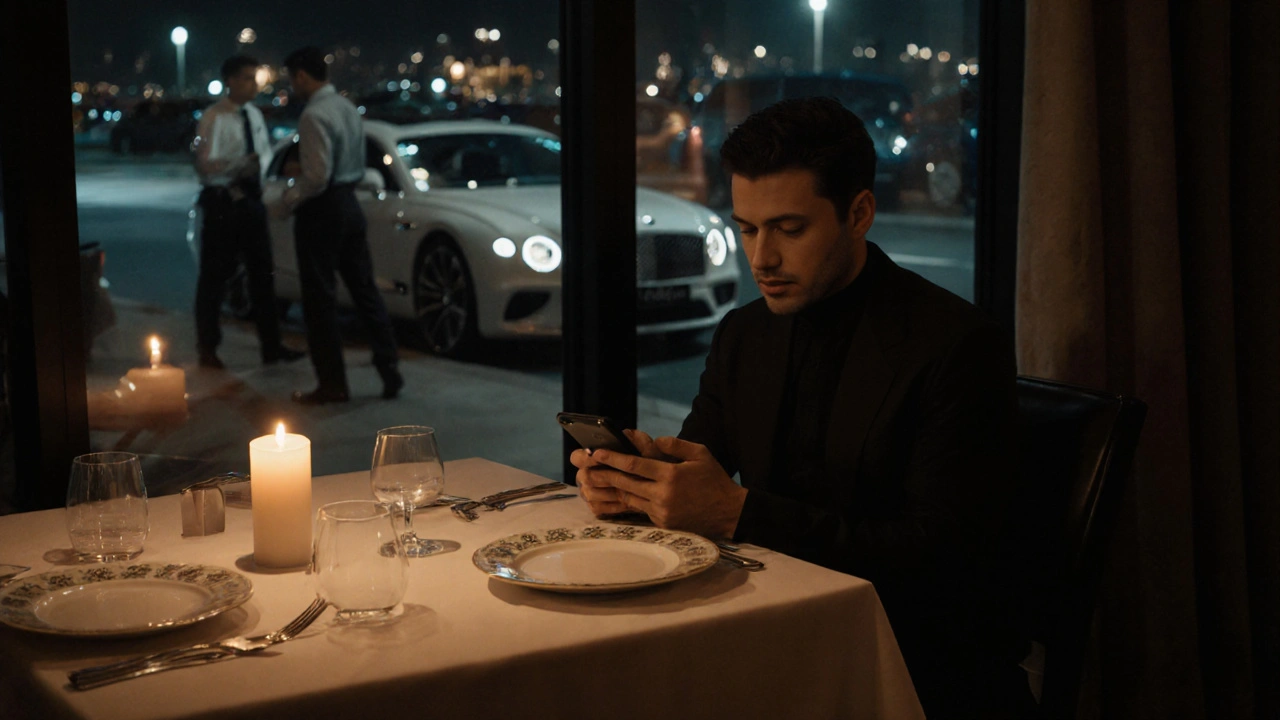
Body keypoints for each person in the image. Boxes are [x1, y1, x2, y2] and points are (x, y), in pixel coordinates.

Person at [571, 97, 1034, 718]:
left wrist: (739, 512)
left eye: (789, 230)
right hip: (772, 635)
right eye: (747, 228)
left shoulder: (955, 345)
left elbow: (941, 558)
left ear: (859, 213)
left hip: (914, 664)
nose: (761, 258)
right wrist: (639, 485)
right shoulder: (745, 334)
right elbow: (700, 466)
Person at [280, 46, 402, 404]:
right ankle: (389, 368)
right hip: (350, 204)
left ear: (302, 76)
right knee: (365, 291)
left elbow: (317, 177)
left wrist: (288, 199)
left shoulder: (313, 115)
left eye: (292, 79)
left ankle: (332, 384)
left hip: (322, 210)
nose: (292, 86)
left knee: (320, 299)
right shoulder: (348, 108)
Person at [192, 55, 305, 370]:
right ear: (229, 81)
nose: (253, 85)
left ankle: (271, 345)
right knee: (214, 277)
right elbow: (204, 165)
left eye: (255, 78)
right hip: (223, 201)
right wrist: (239, 165)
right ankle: (208, 347)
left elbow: (264, 155)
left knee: (263, 275)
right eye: (246, 78)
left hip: (251, 202)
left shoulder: (253, 114)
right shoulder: (213, 118)